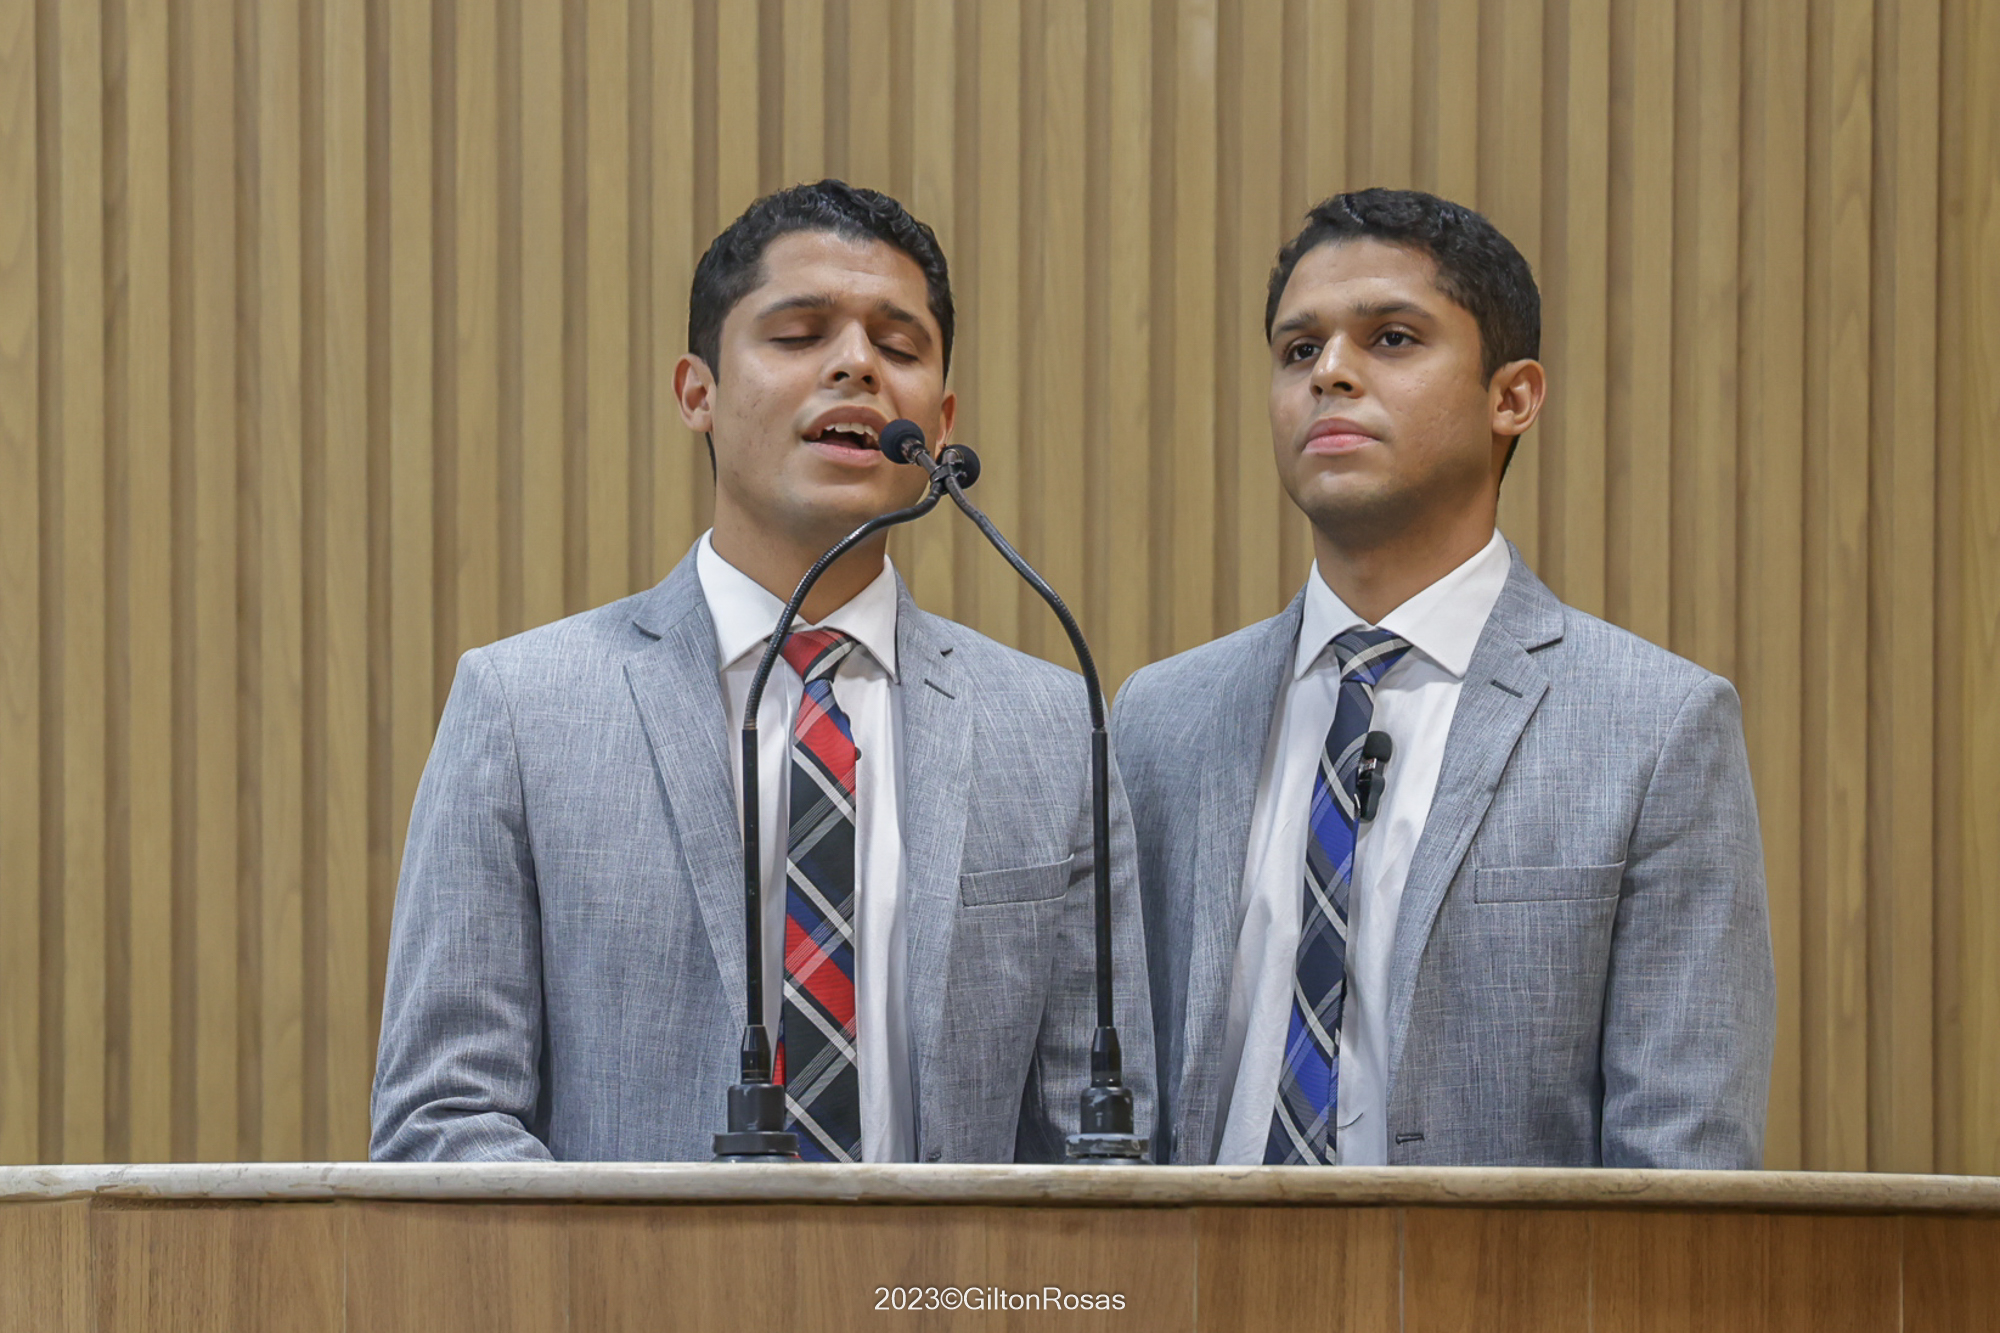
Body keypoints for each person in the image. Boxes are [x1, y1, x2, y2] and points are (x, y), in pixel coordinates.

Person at [372, 180, 1153, 1163]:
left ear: (941, 422)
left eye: (898, 346)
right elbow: (444, 1118)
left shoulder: (1050, 725)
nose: (856, 365)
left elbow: (1103, 1144)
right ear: (695, 392)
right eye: (798, 334)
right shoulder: (524, 710)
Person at [1115, 188, 1773, 1168]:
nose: (1330, 373)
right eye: (1299, 350)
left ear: (1513, 397)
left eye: (1390, 338)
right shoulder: (1160, 717)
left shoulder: (1656, 726)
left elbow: (1682, 1158)